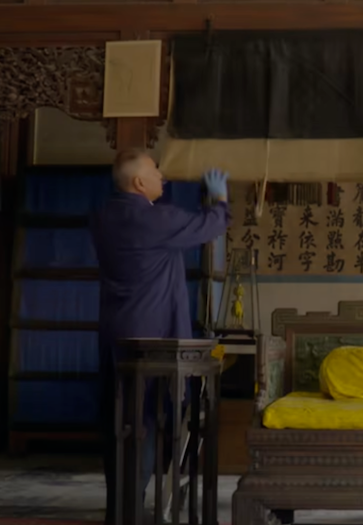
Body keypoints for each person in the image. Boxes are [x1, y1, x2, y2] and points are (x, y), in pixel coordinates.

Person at [91, 149, 231, 524]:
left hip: (116, 335)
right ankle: (131, 512)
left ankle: (121, 508)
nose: (162, 178)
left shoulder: (104, 216)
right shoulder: (152, 220)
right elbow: (212, 225)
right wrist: (219, 198)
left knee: (118, 423)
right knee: (145, 422)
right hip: (151, 338)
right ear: (139, 182)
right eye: (156, 171)